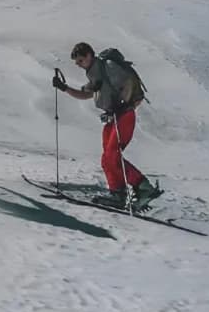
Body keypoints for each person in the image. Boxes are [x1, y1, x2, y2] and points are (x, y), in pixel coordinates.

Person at [53, 42, 159, 210]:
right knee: (107, 159)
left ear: (89, 55)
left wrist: (123, 104)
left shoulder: (108, 66)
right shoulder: (94, 72)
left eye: (80, 61)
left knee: (112, 156)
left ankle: (144, 188)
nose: (79, 65)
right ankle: (117, 193)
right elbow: (86, 94)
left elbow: (128, 83)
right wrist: (64, 88)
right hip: (112, 117)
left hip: (123, 116)